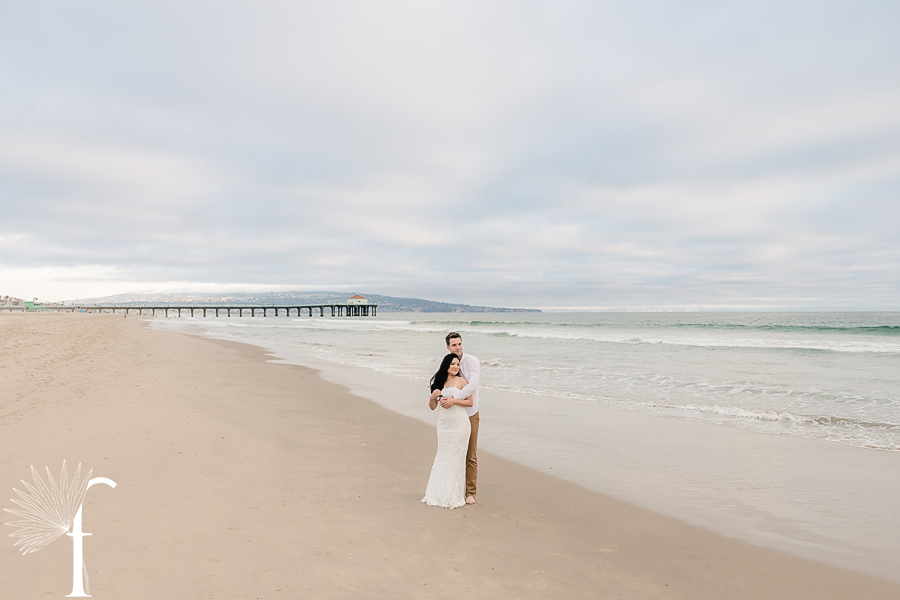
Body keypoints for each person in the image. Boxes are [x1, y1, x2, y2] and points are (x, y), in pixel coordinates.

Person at [430, 332, 480, 505]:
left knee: (470, 454)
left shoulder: (472, 361)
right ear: (448, 347)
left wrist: (453, 398)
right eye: (454, 345)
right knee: (448, 454)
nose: (458, 347)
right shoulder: (446, 365)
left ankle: (470, 492)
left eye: (459, 344)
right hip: (448, 420)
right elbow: (436, 388)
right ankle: (445, 488)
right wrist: (436, 396)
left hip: (470, 413)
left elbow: (472, 386)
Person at [422, 354, 473, 509]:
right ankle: (438, 492)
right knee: (443, 456)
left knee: (456, 459)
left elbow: (470, 402)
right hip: (444, 425)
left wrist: (453, 400)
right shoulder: (439, 383)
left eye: (457, 364)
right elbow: (432, 407)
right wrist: (432, 396)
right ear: (446, 365)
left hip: (460, 424)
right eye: (452, 363)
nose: (455, 366)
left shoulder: (462, 381)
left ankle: (453, 495)